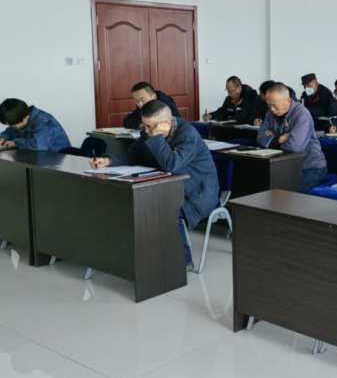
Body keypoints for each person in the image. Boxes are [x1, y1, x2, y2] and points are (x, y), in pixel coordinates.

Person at [90, 100, 218, 270]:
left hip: (197, 194)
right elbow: (134, 154)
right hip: (167, 188)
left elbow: (170, 164)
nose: (146, 131)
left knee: (167, 210)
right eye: (144, 126)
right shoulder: (150, 130)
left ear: (166, 124)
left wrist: (157, 137)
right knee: (136, 205)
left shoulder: (187, 136)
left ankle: (182, 261)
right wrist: (108, 160)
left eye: (150, 127)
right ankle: (142, 256)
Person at [257, 84, 329, 192]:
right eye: (268, 104)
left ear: (288, 101)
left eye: (275, 105)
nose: (272, 109)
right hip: (283, 165)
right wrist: (279, 139)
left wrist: (272, 141)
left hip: (310, 167)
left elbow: (295, 147)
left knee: (289, 194)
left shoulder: (302, 115)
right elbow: (260, 139)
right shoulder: (270, 114)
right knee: (265, 189)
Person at [0, 98, 70, 152]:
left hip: (58, 159)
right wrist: (2, 138)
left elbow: (39, 145)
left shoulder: (45, 122)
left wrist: (16, 142)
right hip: (38, 158)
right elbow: (11, 131)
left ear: (24, 118)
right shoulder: (21, 118)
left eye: (12, 124)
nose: (11, 126)